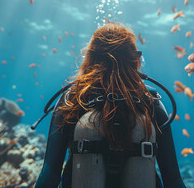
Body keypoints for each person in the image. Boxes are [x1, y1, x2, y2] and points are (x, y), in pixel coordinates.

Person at [34, 22, 186, 188]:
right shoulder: (151, 101)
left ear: (90, 57)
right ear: (134, 59)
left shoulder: (72, 99)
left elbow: (49, 176)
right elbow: (173, 180)